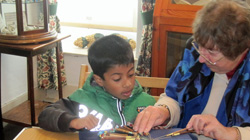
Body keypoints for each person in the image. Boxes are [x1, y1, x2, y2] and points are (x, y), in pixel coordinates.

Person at [133, 0, 250, 139]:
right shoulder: (195, 52)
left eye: (211, 52)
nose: (200, 58)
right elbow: (174, 97)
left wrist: (233, 134)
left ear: (241, 51)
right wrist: (163, 111)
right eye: (199, 46)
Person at [38, 35, 156, 132]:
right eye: (117, 79)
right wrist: (73, 121)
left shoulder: (148, 104)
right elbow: (45, 116)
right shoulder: (82, 100)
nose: (128, 84)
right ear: (99, 80)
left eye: (131, 75)